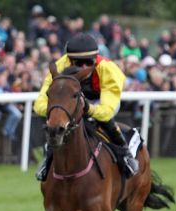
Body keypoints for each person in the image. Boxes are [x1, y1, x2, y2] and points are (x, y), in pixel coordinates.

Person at [33, 32, 137, 181]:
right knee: (57, 126)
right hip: (73, 102)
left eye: (89, 62)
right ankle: (47, 158)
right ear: (69, 60)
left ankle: (125, 154)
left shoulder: (107, 69)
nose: (84, 67)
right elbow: (40, 103)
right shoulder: (60, 66)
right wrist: (57, 111)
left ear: (95, 59)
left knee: (103, 121)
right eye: (78, 63)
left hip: (101, 101)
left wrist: (88, 108)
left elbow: (107, 111)